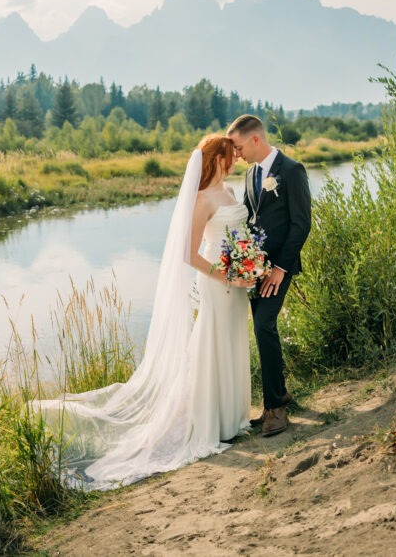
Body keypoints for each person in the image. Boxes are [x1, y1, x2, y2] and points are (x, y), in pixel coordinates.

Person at [32, 134, 255, 490]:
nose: (235, 159)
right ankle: (211, 423)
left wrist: (247, 265)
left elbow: (238, 236)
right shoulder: (200, 200)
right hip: (219, 281)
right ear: (216, 159)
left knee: (233, 341)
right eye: (230, 155)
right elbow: (188, 252)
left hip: (239, 282)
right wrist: (225, 273)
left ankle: (232, 419)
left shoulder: (229, 193)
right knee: (211, 344)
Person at [227, 114, 312, 436]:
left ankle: (275, 409)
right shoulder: (251, 174)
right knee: (264, 329)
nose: (237, 154)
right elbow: (250, 221)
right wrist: (243, 263)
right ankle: (281, 393)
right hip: (256, 268)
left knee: (264, 326)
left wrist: (279, 268)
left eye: (238, 147)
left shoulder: (292, 171)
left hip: (281, 266)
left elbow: (301, 223)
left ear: (255, 140)